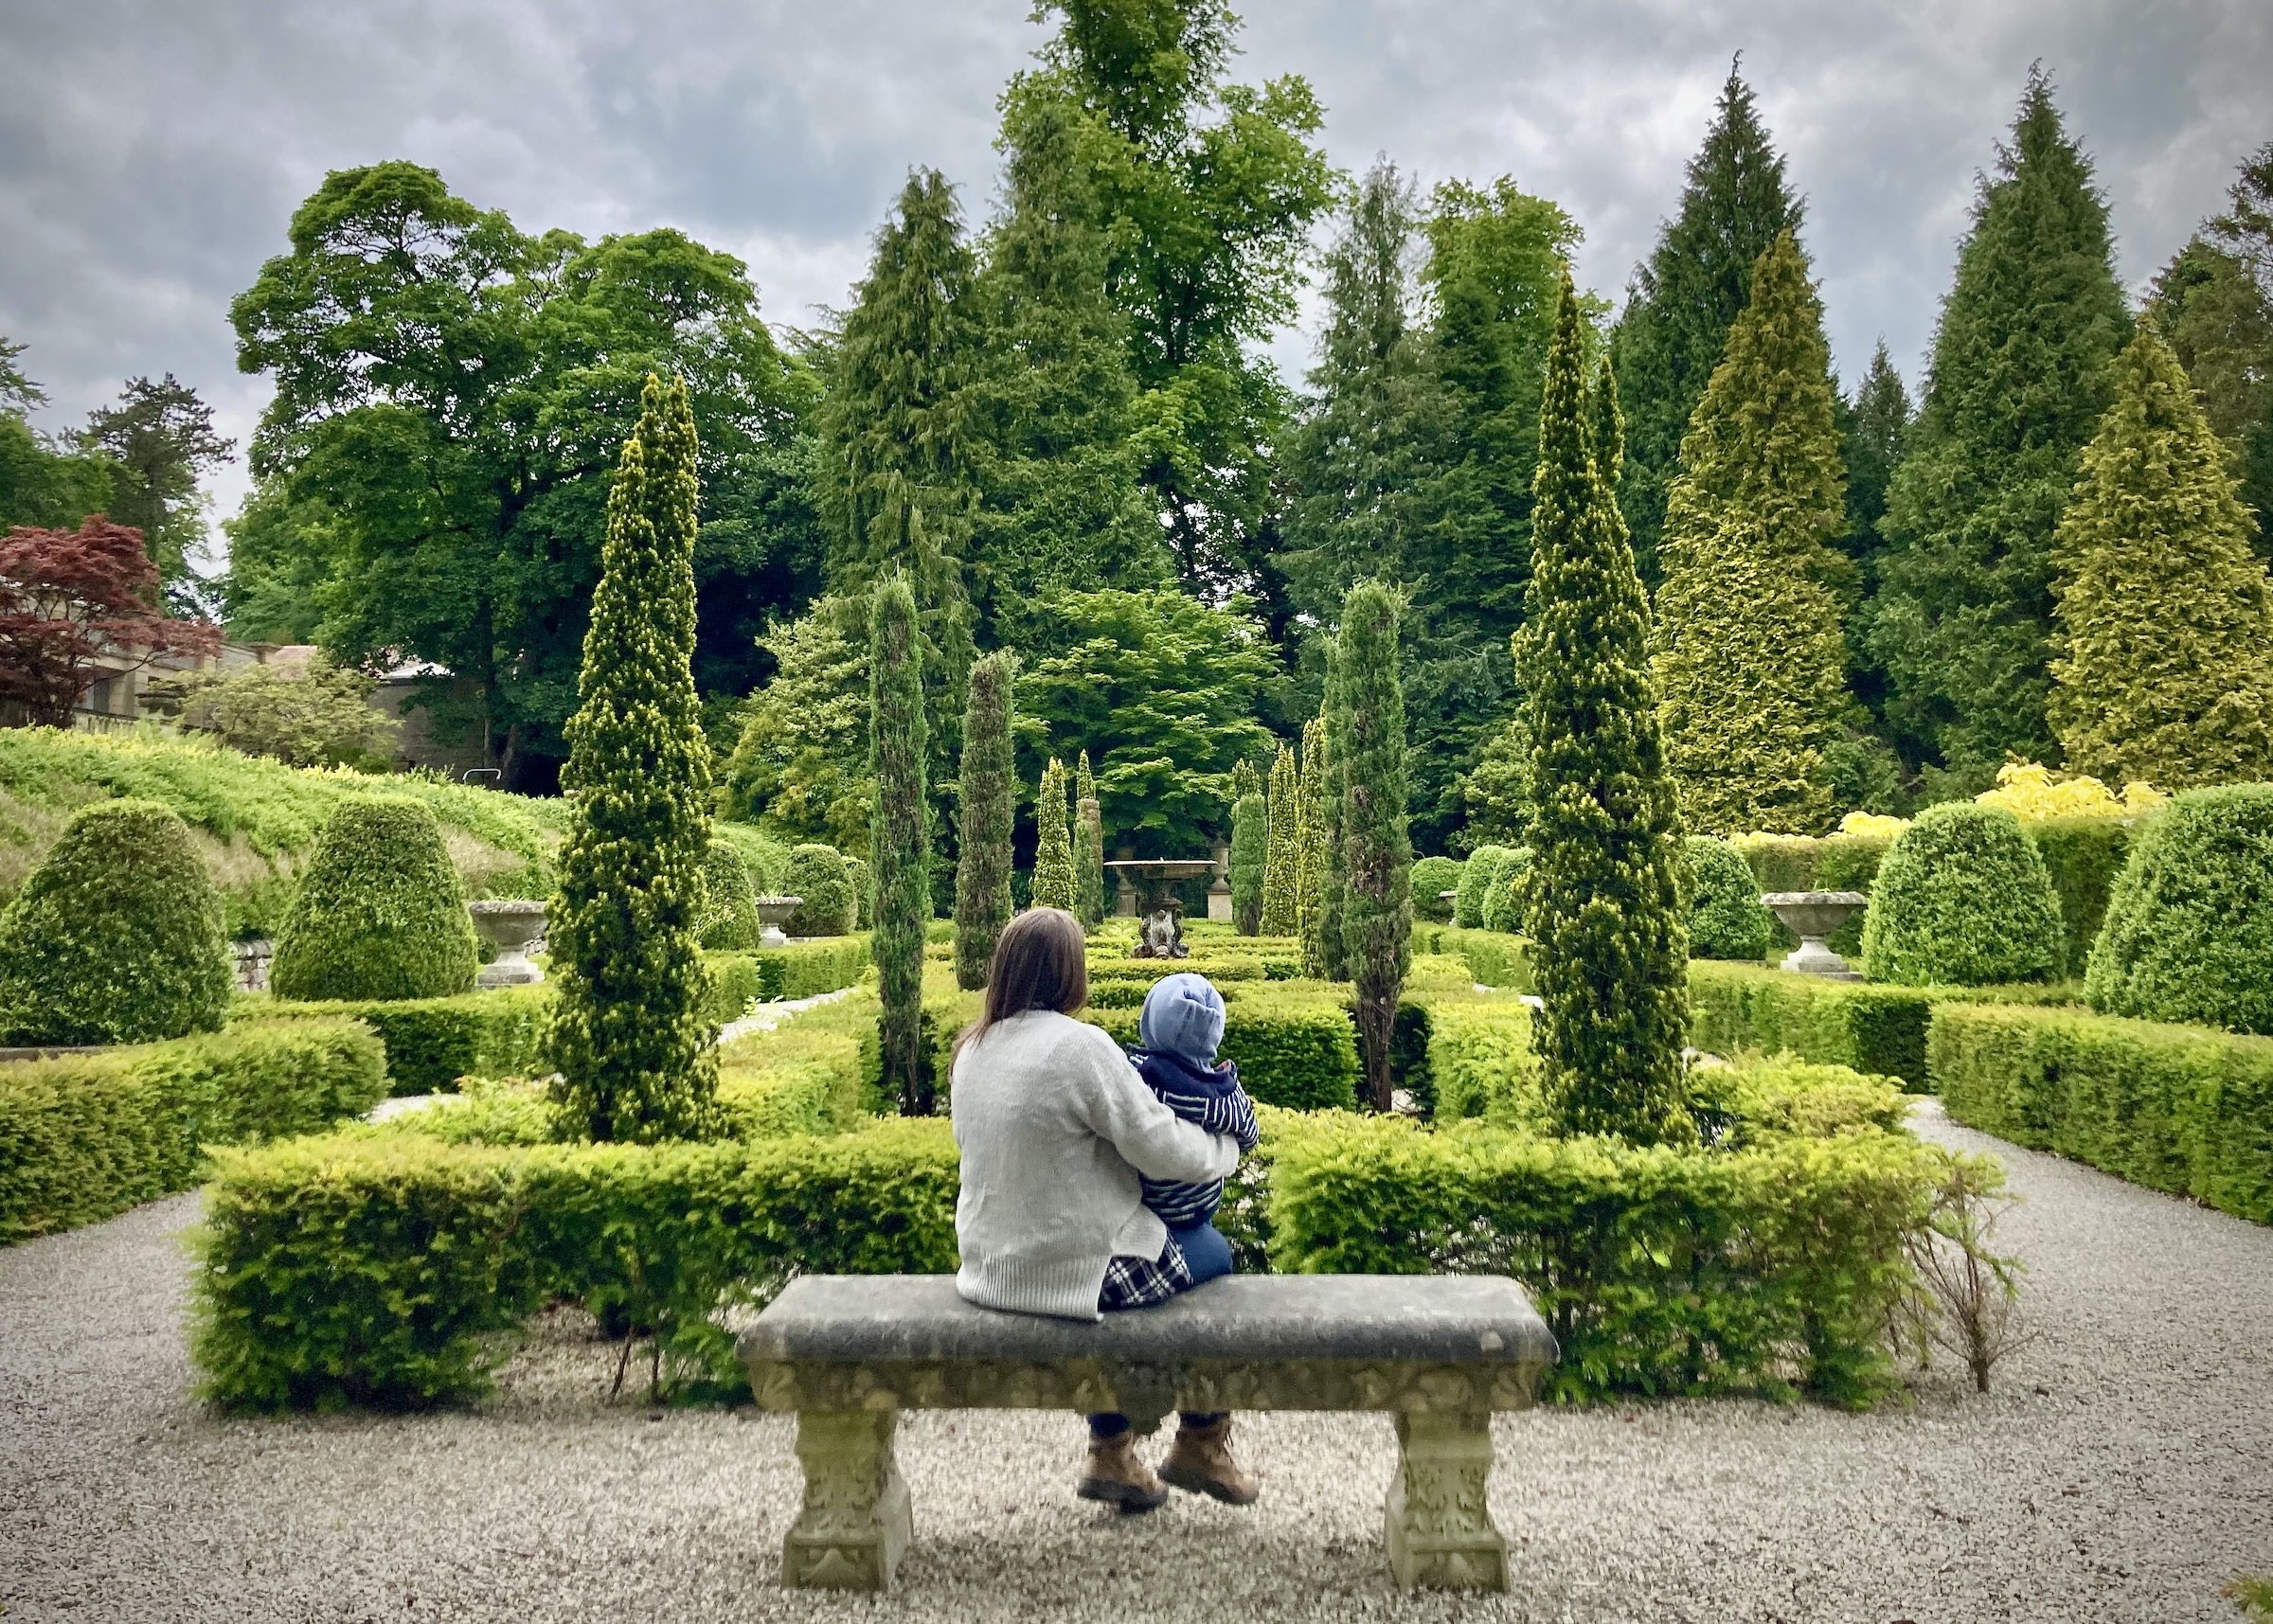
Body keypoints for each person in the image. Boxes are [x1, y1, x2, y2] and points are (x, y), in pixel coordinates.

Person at [950, 908, 1262, 1513]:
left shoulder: (974, 1046)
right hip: (1068, 1274)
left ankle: (1113, 1447)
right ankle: (1199, 1439)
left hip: (988, 1266)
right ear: (1070, 973)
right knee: (1211, 1250)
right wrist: (1227, 1149)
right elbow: (1164, 1148)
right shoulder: (1079, 1047)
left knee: (1138, 1253)